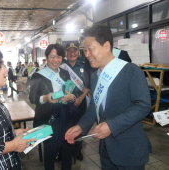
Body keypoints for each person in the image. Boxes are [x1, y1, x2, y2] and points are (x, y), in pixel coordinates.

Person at [65, 25, 152, 170]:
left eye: (90, 48)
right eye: (84, 50)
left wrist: (112, 125)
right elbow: (94, 106)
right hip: (106, 150)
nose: (87, 54)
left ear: (106, 46)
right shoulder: (95, 76)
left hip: (129, 151)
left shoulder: (131, 71)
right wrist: (81, 126)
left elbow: (143, 106)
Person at [29, 44, 78, 170]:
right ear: (46, 57)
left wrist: (71, 97)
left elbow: (73, 92)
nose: (56, 60)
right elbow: (32, 98)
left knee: (67, 148)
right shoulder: (38, 75)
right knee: (49, 152)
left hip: (65, 117)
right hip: (47, 119)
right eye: (52, 57)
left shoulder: (65, 73)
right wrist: (46, 98)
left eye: (59, 57)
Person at [57, 41, 90, 163]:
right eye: (69, 51)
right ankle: (62, 150)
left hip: (80, 102)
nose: (72, 53)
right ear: (66, 52)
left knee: (79, 126)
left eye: (74, 50)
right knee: (63, 126)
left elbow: (89, 83)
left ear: (78, 51)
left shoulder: (85, 63)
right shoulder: (60, 64)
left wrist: (81, 98)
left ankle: (77, 150)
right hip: (64, 102)